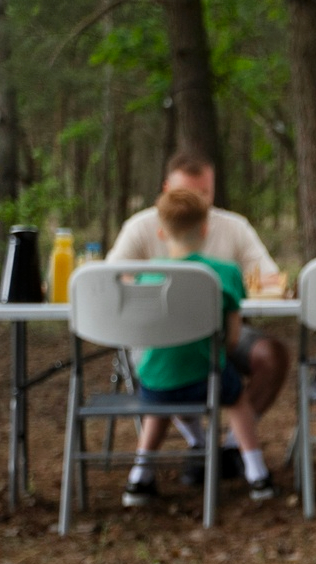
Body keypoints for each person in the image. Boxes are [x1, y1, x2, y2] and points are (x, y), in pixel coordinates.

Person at [111, 153, 289, 484]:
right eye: (185, 194)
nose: (196, 203)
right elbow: (113, 277)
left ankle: (229, 449)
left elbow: (268, 277)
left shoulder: (234, 227)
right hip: (158, 337)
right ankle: (200, 444)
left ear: (214, 191)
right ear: (166, 191)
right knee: (171, 358)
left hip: (219, 332)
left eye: (203, 194)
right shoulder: (140, 227)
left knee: (272, 354)